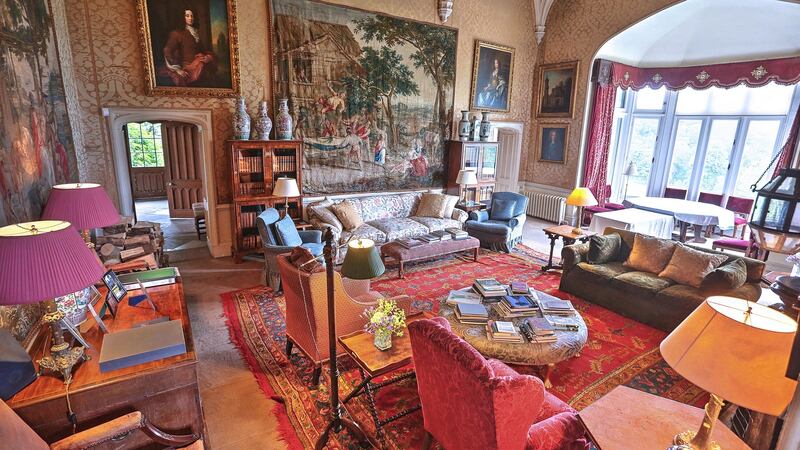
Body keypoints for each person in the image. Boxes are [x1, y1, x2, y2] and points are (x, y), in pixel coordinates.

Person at [162, 9, 216, 86]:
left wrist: (208, 57)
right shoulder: (177, 33)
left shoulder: (196, 32)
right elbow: (167, 50)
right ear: (182, 17)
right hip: (187, 67)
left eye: (192, 16)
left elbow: (203, 50)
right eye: (187, 16)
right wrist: (177, 69)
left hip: (200, 65)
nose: (190, 18)